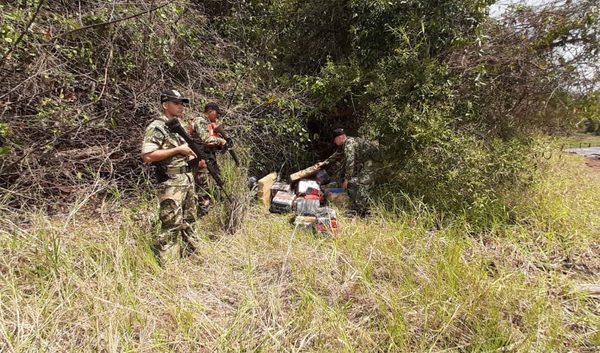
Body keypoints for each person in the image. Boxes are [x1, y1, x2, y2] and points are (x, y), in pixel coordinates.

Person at [141, 89, 203, 260]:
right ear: (165, 105)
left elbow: (184, 152)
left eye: (182, 103)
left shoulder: (178, 126)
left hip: (186, 179)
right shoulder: (157, 127)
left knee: (190, 220)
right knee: (172, 224)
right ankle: (169, 264)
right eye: (176, 103)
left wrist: (192, 157)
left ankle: (193, 256)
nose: (181, 107)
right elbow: (148, 156)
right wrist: (178, 150)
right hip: (171, 182)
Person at [322, 128, 379, 215]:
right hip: (368, 161)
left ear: (340, 137)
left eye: (335, 140)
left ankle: (360, 210)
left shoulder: (349, 145)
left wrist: (346, 180)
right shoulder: (345, 143)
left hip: (373, 161)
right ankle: (365, 206)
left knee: (362, 183)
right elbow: (337, 154)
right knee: (363, 183)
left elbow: (350, 162)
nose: (334, 142)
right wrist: (325, 162)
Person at [189, 102, 227, 215]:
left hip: (208, 157)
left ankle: (210, 208)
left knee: (215, 181)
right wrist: (220, 141)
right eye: (216, 113)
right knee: (203, 185)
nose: (217, 116)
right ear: (211, 111)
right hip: (200, 157)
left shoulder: (208, 124)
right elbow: (206, 139)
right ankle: (203, 212)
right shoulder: (200, 121)